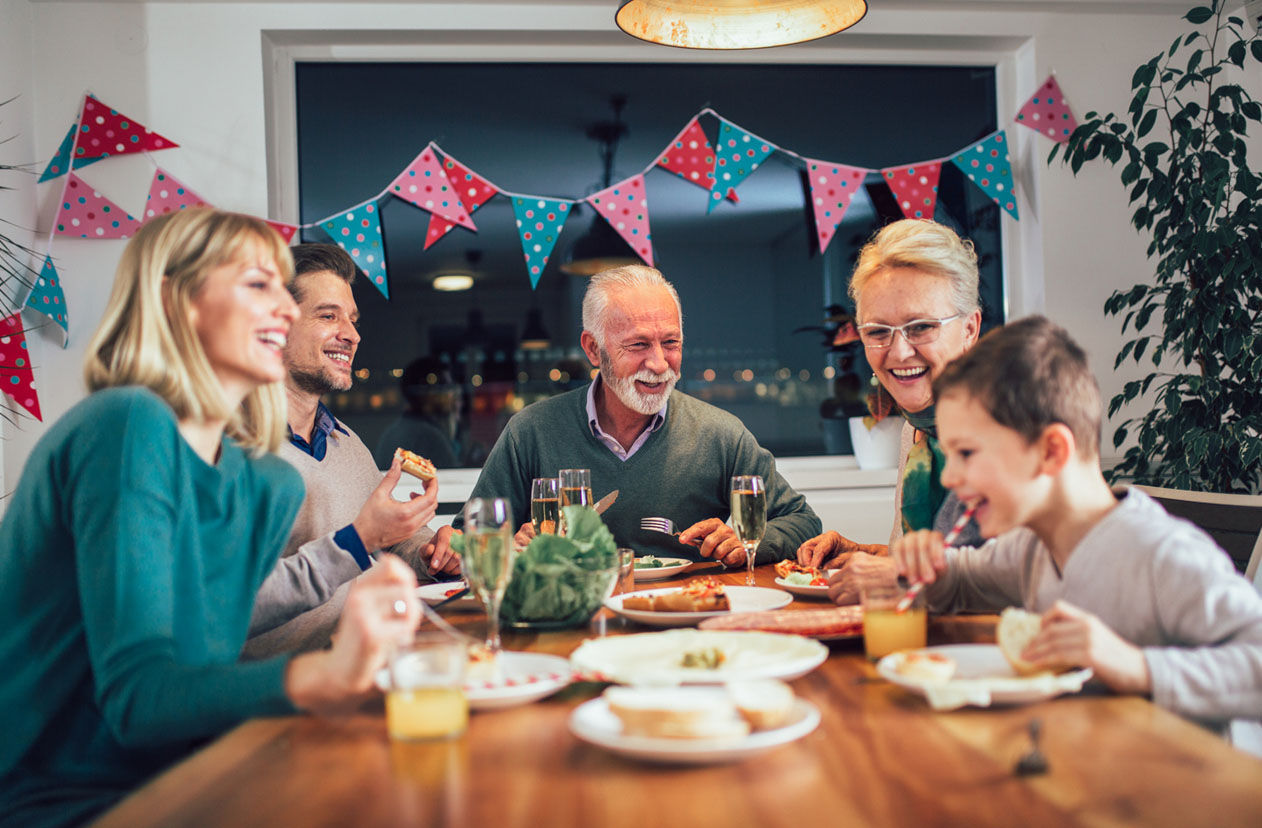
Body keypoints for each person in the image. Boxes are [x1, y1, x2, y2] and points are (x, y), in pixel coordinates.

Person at [0, 210, 422, 828]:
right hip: (73, 800)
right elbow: (139, 701)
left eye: (284, 287)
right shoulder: (126, 426)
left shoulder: (263, 483)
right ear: (179, 301)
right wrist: (324, 674)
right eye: (258, 284)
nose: (283, 306)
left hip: (203, 766)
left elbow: (207, 671)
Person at [892, 316, 1262, 732]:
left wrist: (1138, 666)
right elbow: (958, 579)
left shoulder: (1162, 553)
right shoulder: (1028, 546)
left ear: (1051, 452)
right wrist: (925, 565)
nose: (948, 478)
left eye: (967, 453)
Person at [450, 264, 820, 566]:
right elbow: (469, 540)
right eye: (638, 344)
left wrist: (747, 540)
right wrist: (510, 547)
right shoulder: (531, 431)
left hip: (684, 616)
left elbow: (803, 521)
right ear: (594, 349)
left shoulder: (720, 434)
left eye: (670, 343)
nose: (659, 364)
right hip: (573, 617)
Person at [243, 244, 459, 659]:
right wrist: (359, 540)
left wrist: (430, 553)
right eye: (328, 315)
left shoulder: (346, 443)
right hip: (274, 696)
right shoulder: (229, 448)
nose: (353, 334)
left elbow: (386, 539)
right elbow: (227, 607)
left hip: (362, 667)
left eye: (353, 319)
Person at [794, 219, 985, 603]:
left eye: (921, 327)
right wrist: (866, 555)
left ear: (969, 329)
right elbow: (936, 563)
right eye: (879, 331)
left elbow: (1028, 576)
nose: (898, 353)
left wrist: (895, 577)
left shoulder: (1008, 428)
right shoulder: (917, 430)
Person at [373, 356, 462, 470]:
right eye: (446, 387)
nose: (451, 395)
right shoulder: (429, 437)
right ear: (428, 392)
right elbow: (453, 480)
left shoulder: (394, 431)